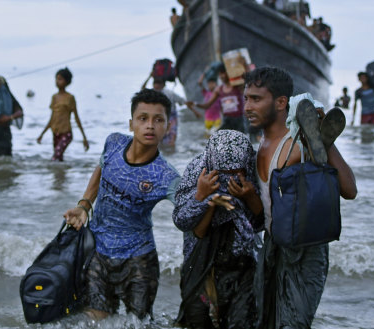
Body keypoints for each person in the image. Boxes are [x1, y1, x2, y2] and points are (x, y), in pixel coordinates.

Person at [243, 67, 357, 328]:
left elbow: (350, 190)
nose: (248, 106)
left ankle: (323, 145)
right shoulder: (261, 144)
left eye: (256, 99)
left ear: (281, 102)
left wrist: (324, 145)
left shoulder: (299, 143)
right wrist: (248, 195)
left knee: (293, 324)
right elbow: (267, 212)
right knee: (266, 320)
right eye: (246, 98)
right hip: (273, 244)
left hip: (306, 249)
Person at [63, 89, 181, 320]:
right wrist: (84, 205)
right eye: (143, 118)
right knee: (96, 320)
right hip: (98, 252)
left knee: (139, 324)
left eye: (158, 120)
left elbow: (190, 210)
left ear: (167, 127)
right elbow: (102, 168)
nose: (150, 126)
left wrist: (206, 197)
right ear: (131, 123)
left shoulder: (167, 177)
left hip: (139, 261)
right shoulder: (114, 143)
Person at [172, 130, 263, 329]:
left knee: (242, 321)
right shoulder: (198, 171)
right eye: (224, 173)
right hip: (202, 261)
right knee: (198, 319)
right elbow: (182, 221)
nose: (229, 179)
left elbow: (262, 223)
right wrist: (202, 197)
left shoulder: (252, 173)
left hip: (241, 261)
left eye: (236, 173)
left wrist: (250, 198)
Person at [37, 68, 89, 161]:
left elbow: (76, 118)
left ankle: (54, 172)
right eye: (56, 79)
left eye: (60, 79)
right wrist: (42, 134)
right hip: (55, 132)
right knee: (59, 158)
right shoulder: (54, 97)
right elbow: (52, 118)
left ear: (67, 81)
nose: (57, 81)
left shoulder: (70, 98)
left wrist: (84, 138)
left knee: (56, 156)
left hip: (66, 133)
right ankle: (60, 175)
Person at [142, 74, 199, 147]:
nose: (157, 86)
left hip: (170, 117)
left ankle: (170, 155)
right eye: (155, 83)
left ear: (163, 85)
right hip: (159, 118)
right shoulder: (152, 93)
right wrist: (149, 76)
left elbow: (184, 102)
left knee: (170, 139)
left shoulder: (169, 93)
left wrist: (195, 112)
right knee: (159, 139)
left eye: (158, 84)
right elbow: (143, 89)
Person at [196, 64, 245, 133]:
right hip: (227, 120)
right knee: (217, 136)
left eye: (223, 73)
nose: (222, 76)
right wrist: (195, 104)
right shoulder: (219, 89)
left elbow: (246, 81)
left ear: (229, 73)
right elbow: (207, 105)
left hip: (239, 120)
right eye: (220, 74)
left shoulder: (237, 86)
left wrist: (243, 65)